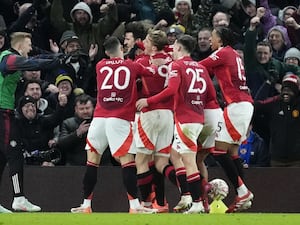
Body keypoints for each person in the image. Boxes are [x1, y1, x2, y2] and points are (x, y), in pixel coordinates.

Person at [70, 36, 158, 214]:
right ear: (121, 48)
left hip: (99, 119)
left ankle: (86, 205)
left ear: (107, 51)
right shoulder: (131, 65)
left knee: (92, 162)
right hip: (119, 119)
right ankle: (134, 206)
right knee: (127, 162)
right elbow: (153, 72)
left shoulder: (100, 65)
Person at [136, 34, 218, 213]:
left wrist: (148, 101)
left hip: (185, 119)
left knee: (188, 161)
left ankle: (195, 201)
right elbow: (211, 95)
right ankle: (190, 197)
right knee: (174, 156)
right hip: (198, 117)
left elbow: (171, 89)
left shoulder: (177, 65)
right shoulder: (200, 67)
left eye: (174, 47)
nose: (171, 49)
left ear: (180, 48)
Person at [0, 31, 65, 213]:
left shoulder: (8, 58)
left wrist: (55, 56)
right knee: (14, 154)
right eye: (28, 45)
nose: (30, 49)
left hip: (4, 111)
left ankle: (17, 198)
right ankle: (18, 198)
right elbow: (31, 63)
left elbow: (36, 59)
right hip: (2, 111)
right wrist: (55, 61)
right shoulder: (9, 58)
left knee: (2, 157)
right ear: (20, 45)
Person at [199, 26, 254, 213]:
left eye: (213, 37)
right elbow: (213, 73)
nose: (210, 40)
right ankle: (243, 193)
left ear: (220, 40)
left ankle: (242, 191)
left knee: (218, 150)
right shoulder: (233, 54)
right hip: (243, 105)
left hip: (237, 105)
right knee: (232, 151)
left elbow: (199, 66)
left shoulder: (222, 52)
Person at [134, 29, 176, 213]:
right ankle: (186, 192)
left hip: (150, 113)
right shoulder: (172, 61)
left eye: (146, 40)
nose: (144, 42)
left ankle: (146, 204)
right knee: (161, 163)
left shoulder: (143, 61)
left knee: (141, 160)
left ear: (153, 45)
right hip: (168, 115)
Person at [254, 73, 300, 167]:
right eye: (284, 88)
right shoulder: (274, 103)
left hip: (297, 160)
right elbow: (257, 105)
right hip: (276, 159)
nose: (286, 92)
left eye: (290, 89)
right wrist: (268, 83)